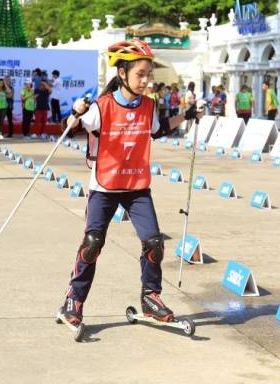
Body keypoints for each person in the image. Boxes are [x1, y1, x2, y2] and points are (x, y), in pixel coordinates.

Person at [59, 39, 204, 327]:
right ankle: (73, 301)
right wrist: (74, 113)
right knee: (93, 243)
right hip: (105, 187)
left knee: (154, 243)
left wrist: (187, 116)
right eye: (140, 74)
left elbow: (159, 129)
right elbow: (72, 128)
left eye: (148, 74)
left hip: (137, 187)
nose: (145, 80)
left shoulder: (148, 106)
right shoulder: (101, 106)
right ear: (122, 73)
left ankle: (151, 297)